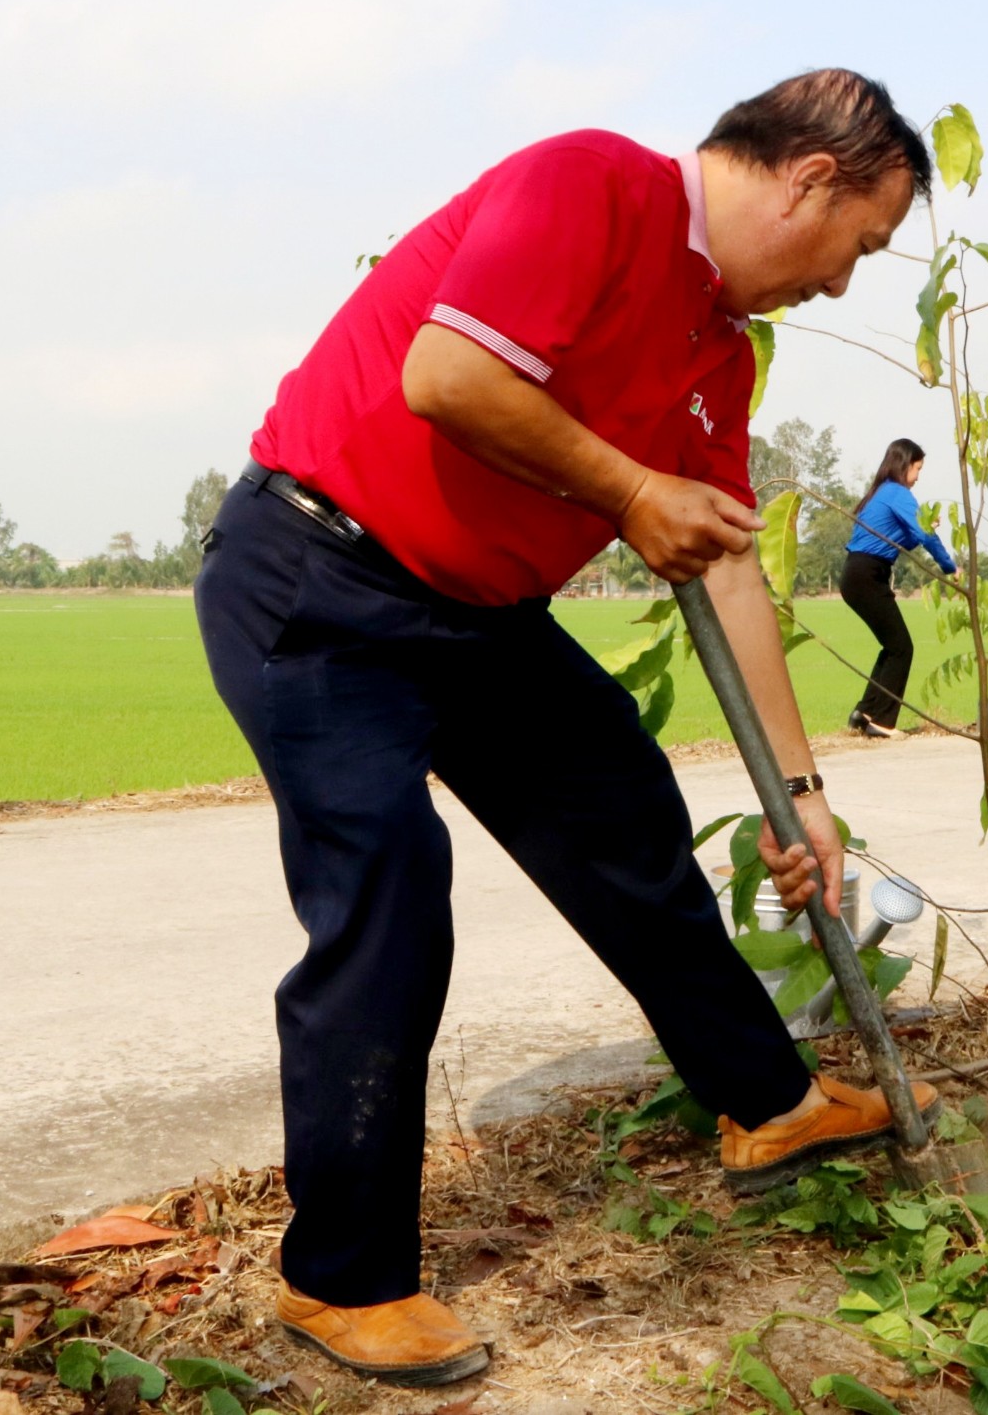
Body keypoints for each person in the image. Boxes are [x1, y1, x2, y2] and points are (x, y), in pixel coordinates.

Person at [194, 71, 941, 1384]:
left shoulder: (720, 347)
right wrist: (629, 484)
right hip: (320, 576)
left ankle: (770, 1104)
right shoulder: (594, 182)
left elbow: (724, 562)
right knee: (387, 888)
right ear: (812, 176)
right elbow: (448, 372)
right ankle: (340, 1278)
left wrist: (801, 791)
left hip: (477, 613)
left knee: (624, 818)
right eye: (860, 246)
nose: (841, 282)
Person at [841, 438, 957, 738]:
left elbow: (898, 542)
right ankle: (881, 722)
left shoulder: (882, 493)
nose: (918, 476)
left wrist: (923, 530)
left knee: (892, 646)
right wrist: (950, 567)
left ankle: (864, 712)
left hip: (860, 573)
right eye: (917, 468)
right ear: (905, 465)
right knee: (901, 647)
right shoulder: (897, 492)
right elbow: (926, 537)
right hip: (867, 575)